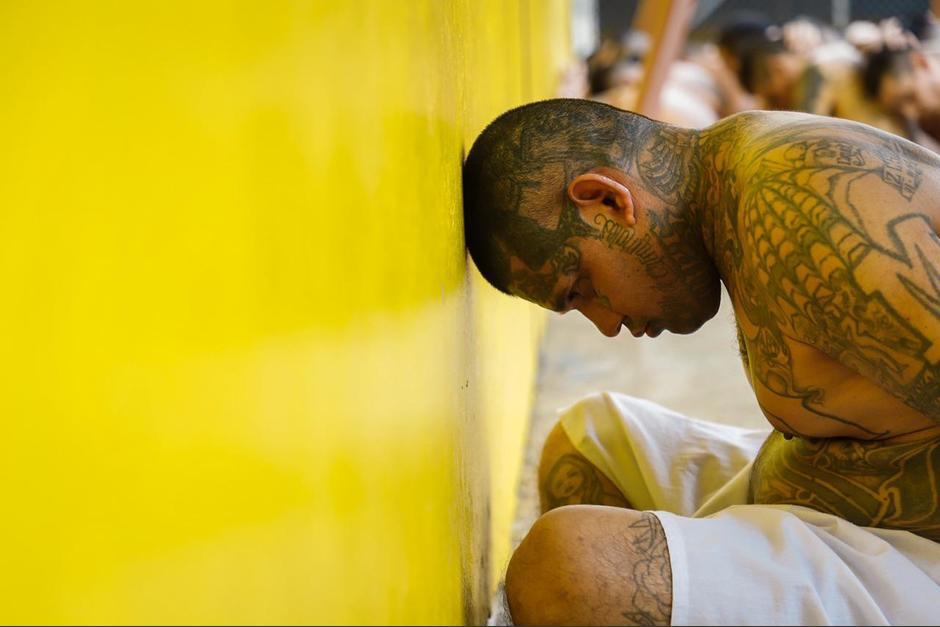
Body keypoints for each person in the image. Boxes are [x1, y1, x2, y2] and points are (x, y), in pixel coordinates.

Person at [463, 99, 940, 624]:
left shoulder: (797, 206)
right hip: (835, 501)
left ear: (606, 200)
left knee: (565, 567)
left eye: (581, 288)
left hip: (919, 554)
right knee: (590, 440)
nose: (605, 324)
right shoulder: (738, 170)